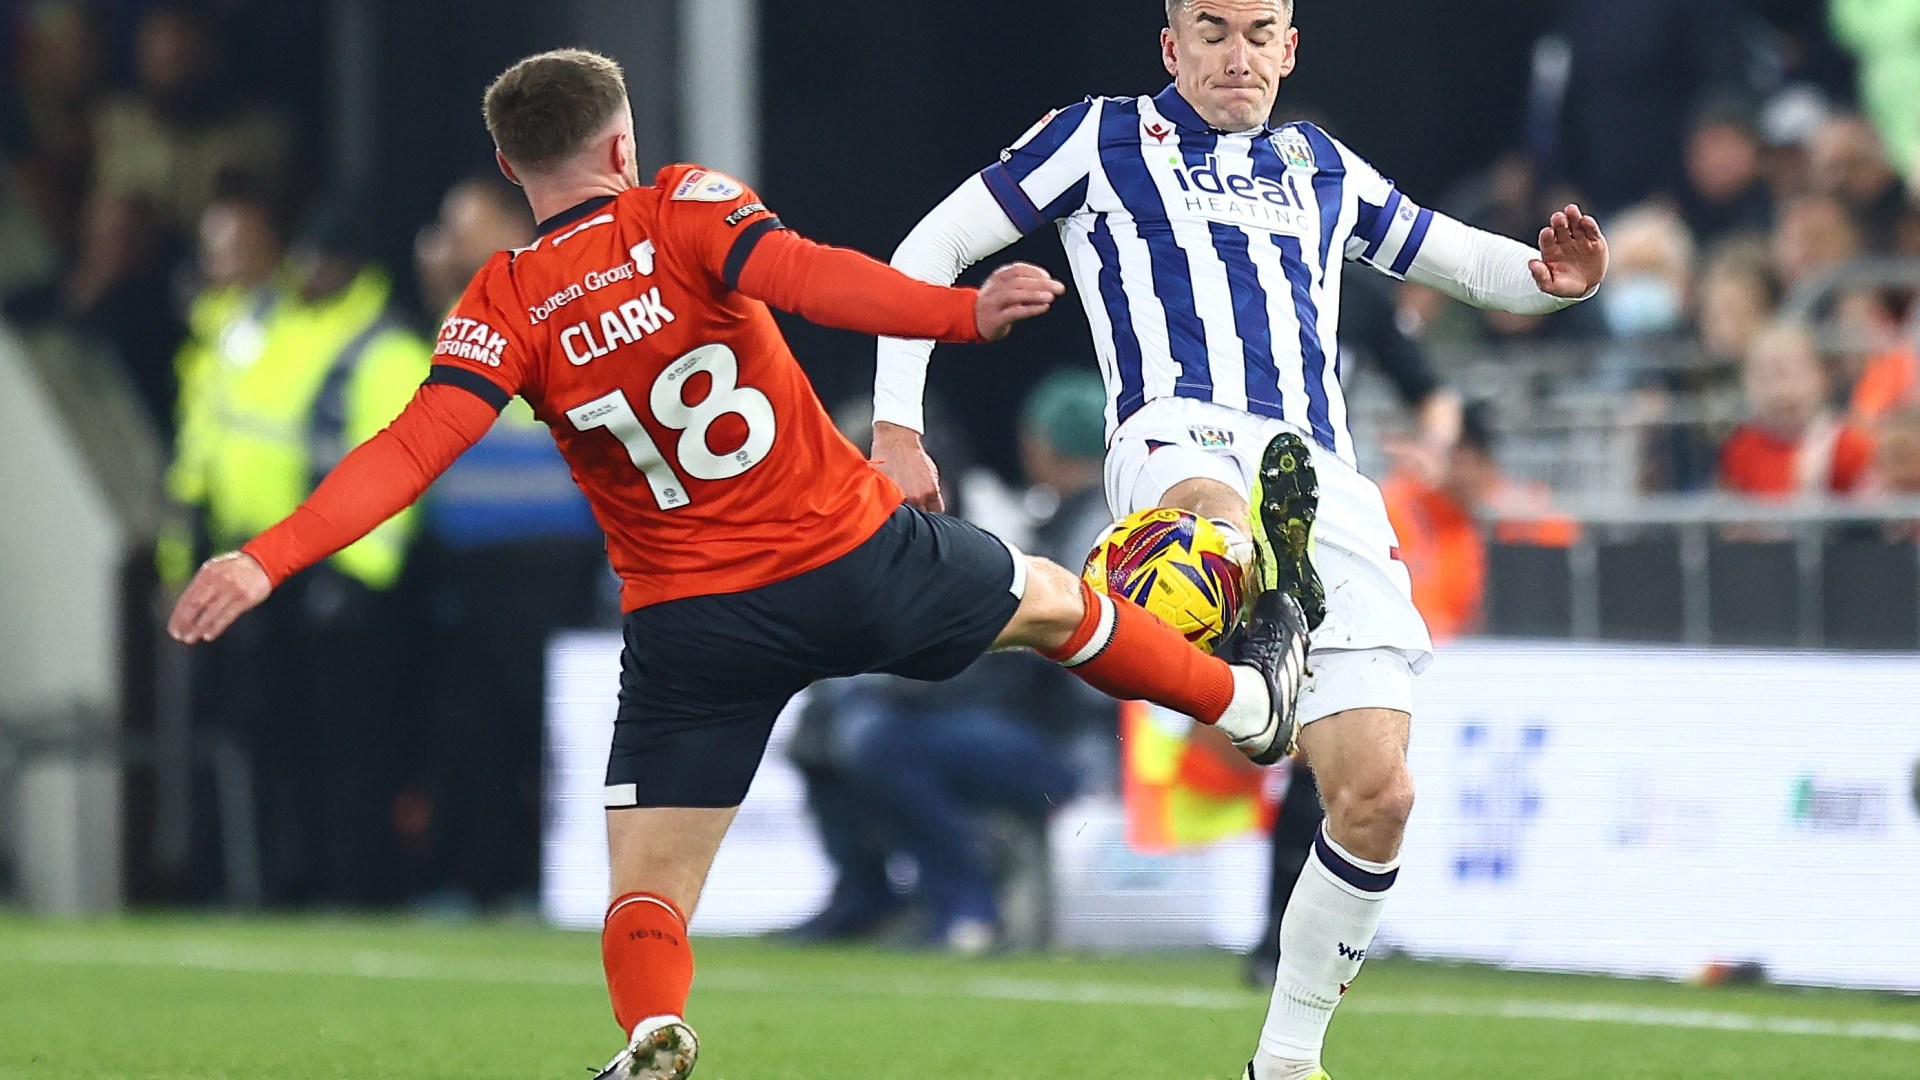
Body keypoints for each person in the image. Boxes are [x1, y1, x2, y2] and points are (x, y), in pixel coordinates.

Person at [164, 48, 1307, 1080]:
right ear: (621, 145)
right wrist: (959, 315)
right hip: (850, 557)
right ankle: (1248, 703)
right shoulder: (680, 209)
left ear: (512, 166)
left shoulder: (502, 301)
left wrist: (269, 559)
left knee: (649, 888)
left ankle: (653, 1031)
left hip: (694, 625)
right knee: (1061, 605)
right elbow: (814, 277)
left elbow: (410, 451)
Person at [869, 5, 1609, 1078]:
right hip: (1176, 433)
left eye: (1260, 32)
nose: (1238, 55)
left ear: (1291, 47)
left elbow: (1463, 263)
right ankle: (1253, 677)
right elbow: (931, 245)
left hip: (1324, 472)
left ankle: (1286, 1059)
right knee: (1213, 510)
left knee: (1377, 795)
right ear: (1170, 47)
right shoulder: (1099, 137)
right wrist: (899, 420)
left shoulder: (1322, 166)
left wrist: (1551, 283)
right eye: (1211, 31)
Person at [166, 192, 433, 906]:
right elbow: (227, 430)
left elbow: (391, 470)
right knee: (273, 740)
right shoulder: (274, 324)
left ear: (350, 265)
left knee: (350, 747)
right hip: (265, 569)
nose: (306, 272)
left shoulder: (385, 343)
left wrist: (355, 577)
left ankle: (354, 888)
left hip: (340, 583)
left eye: (321, 260)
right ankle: (283, 880)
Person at [412, 175, 607, 913]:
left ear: (507, 225)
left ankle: (542, 874)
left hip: (544, 553)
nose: (449, 242)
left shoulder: (553, 294)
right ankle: (485, 875)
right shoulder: (463, 314)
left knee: (537, 722)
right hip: (470, 560)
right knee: (474, 723)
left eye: (463, 225)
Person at [1720, 321, 1874, 498]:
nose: (1780, 391)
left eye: (1792, 373)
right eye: (1764, 377)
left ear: (1822, 376)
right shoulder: (1740, 449)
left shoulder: (1851, 446)